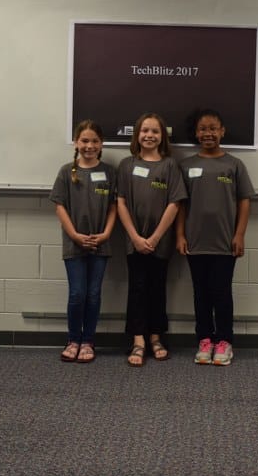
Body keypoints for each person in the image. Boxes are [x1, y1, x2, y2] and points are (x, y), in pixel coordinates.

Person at [176, 108, 254, 366]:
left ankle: (224, 341)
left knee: (221, 293)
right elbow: (180, 205)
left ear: (222, 131)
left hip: (225, 243)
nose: (208, 133)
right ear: (196, 133)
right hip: (195, 243)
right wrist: (180, 234)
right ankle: (205, 339)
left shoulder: (234, 165)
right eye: (203, 129)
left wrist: (239, 234)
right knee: (200, 294)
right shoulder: (186, 166)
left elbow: (244, 201)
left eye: (213, 128)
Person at [117, 112, 187, 367]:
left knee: (157, 288)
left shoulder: (170, 166)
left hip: (161, 242)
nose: (149, 135)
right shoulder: (126, 165)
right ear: (137, 135)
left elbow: (175, 203)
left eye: (155, 131)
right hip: (134, 242)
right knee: (137, 289)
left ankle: (156, 337)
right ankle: (138, 340)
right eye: (145, 130)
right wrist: (136, 238)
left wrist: (156, 237)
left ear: (162, 136)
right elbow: (121, 202)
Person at [49, 120, 117, 364]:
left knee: (94, 294)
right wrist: (75, 236)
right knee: (77, 293)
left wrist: (106, 234)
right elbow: (60, 207)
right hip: (74, 243)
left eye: (95, 141)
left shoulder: (109, 172)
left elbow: (114, 207)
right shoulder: (66, 171)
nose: (89, 146)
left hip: (101, 243)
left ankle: (88, 341)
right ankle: (73, 340)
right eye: (84, 140)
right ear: (76, 143)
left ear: (102, 144)